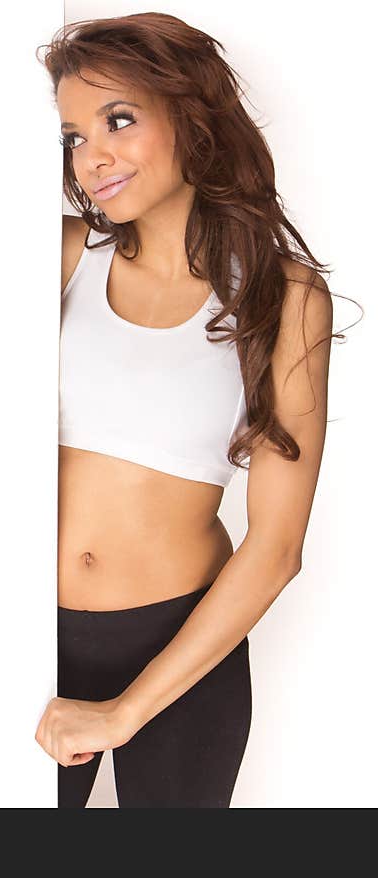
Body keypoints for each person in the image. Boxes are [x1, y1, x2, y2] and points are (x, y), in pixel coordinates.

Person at [32, 13, 354, 807]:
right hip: (26, 637)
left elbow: (277, 548)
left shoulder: (282, 294)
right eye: (73, 135)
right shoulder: (63, 254)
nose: (92, 154)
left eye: (119, 119)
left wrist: (125, 712)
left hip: (183, 651)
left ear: (193, 115)